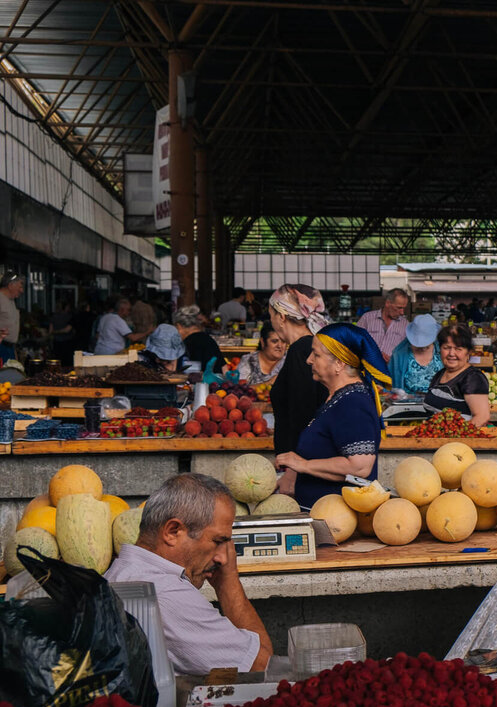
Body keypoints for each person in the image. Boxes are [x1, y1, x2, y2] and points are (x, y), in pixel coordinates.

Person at [103, 473, 273, 674]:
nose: (222, 557)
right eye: (218, 541)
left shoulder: (119, 571)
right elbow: (261, 665)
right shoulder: (167, 593)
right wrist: (229, 580)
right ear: (172, 531)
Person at [275, 323, 390, 509]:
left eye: (316, 354)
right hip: (322, 514)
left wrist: (304, 465)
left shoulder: (353, 403)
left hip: (338, 521)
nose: (309, 360)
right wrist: (294, 473)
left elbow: (360, 467)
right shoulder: (338, 399)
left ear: (339, 364)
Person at [268, 285, 333, 494]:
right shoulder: (311, 347)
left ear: (281, 317)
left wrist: (293, 471)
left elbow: (304, 414)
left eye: (271, 315)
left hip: (304, 469)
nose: (271, 320)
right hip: (307, 463)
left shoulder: (302, 351)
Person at [424, 324, 491, 426]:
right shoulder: (440, 374)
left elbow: (482, 417)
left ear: (468, 352)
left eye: (458, 349)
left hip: (461, 440)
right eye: (446, 348)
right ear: (440, 349)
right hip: (436, 439)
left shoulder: (472, 378)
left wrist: (455, 437)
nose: (451, 353)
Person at [387, 313, 442, 394]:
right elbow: (390, 385)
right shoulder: (399, 355)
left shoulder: (442, 352)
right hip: (407, 404)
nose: (422, 347)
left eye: (427, 343)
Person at [358, 289, 409, 360]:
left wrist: (393, 360)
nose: (402, 312)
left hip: (390, 369)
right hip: (367, 366)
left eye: (403, 308)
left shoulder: (405, 324)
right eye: (399, 308)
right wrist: (372, 353)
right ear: (388, 303)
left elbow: (406, 352)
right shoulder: (367, 318)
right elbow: (355, 342)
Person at [174, 305, 225, 372]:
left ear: (179, 326)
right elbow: (224, 368)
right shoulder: (209, 340)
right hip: (215, 381)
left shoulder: (187, 343)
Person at [0, 271, 22, 362]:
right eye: (20, 286)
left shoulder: (11, 301)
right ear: (10, 285)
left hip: (10, 349)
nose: (22, 290)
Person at [50, 298, 74, 367]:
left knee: (57, 362)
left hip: (57, 342)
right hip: (67, 341)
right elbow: (68, 330)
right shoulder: (69, 317)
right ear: (66, 307)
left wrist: (55, 332)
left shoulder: (54, 317)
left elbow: (50, 331)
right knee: (67, 362)